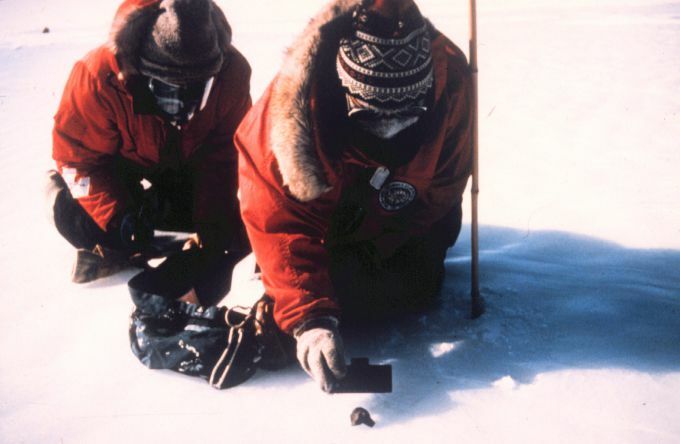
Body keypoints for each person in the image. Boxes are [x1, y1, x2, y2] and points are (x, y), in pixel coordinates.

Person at [235, 0, 473, 392]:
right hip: (324, 219)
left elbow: (444, 186)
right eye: (373, 117)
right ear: (345, 91)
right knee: (319, 299)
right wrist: (309, 319)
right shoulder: (289, 117)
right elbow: (276, 221)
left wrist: (379, 246)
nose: (389, 131)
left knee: (415, 290)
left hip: (406, 218)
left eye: (406, 116)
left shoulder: (452, 84)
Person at [45, 0, 252, 298]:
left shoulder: (232, 74)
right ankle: (59, 202)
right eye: (169, 94)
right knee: (82, 222)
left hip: (185, 165)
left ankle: (152, 231)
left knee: (220, 231)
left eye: (196, 92)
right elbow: (76, 160)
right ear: (143, 76)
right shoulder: (98, 77)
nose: (183, 109)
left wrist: (210, 227)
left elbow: (225, 156)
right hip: (118, 165)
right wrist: (120, 218)